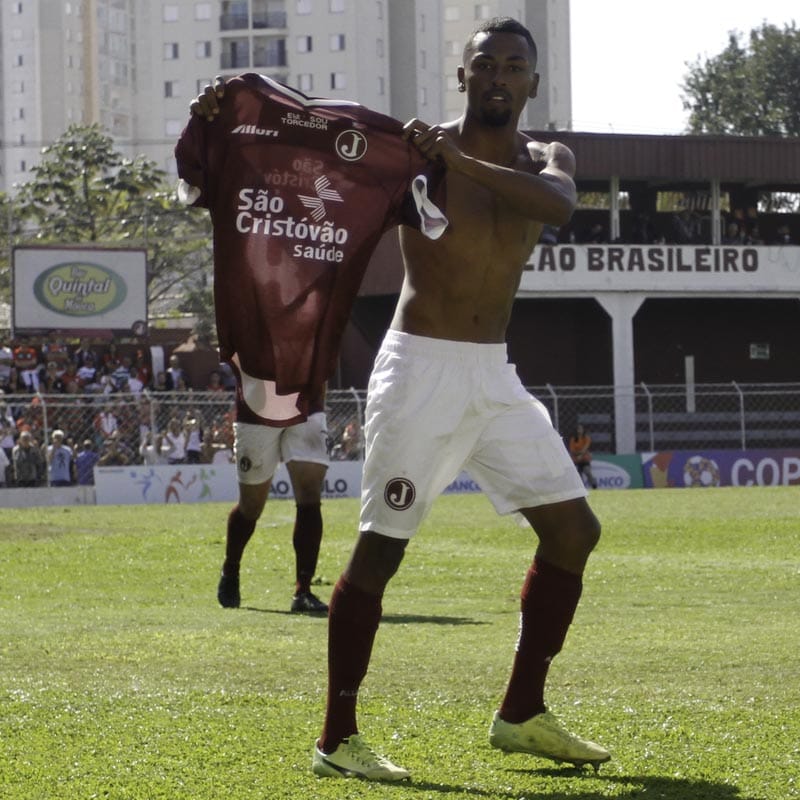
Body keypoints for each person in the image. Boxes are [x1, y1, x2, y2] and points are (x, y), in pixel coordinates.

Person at [194, 16, 607, 783]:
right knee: (381, 551)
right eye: (485, 64)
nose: (498, 77)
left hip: (494, 374)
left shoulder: (547, 158)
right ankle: (336, 738)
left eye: (514, 67)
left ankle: (520, 713)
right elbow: (315, 143)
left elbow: (555, 205)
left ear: (533, 84)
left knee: (575, 532)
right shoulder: (415, 157)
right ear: (463, 76)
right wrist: (240, 109)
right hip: (419, 371)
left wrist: (457, 159)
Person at [181, 60, 455, 617]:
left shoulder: (348, 175)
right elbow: (195, 172)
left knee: (311, 492)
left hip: (309, 388)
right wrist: (210, 117)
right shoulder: (251, 169)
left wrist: (419, 153)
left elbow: (430, 209)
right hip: (257, 392)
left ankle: (303, 589)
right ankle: (231, 570)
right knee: (251, 505)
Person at [567, 424, 598, 489]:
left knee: (587, 471)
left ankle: (594, 485)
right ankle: (580, 488)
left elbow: (585, 447)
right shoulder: (573, 439)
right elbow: (572, 450)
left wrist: (581, 454)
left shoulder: (586, 438)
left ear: (583, 430)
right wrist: (578, 454)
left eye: (580, 429)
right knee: (578, 475)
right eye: (578, 429)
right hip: (576, 459)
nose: (579, 431)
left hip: (584, 459)